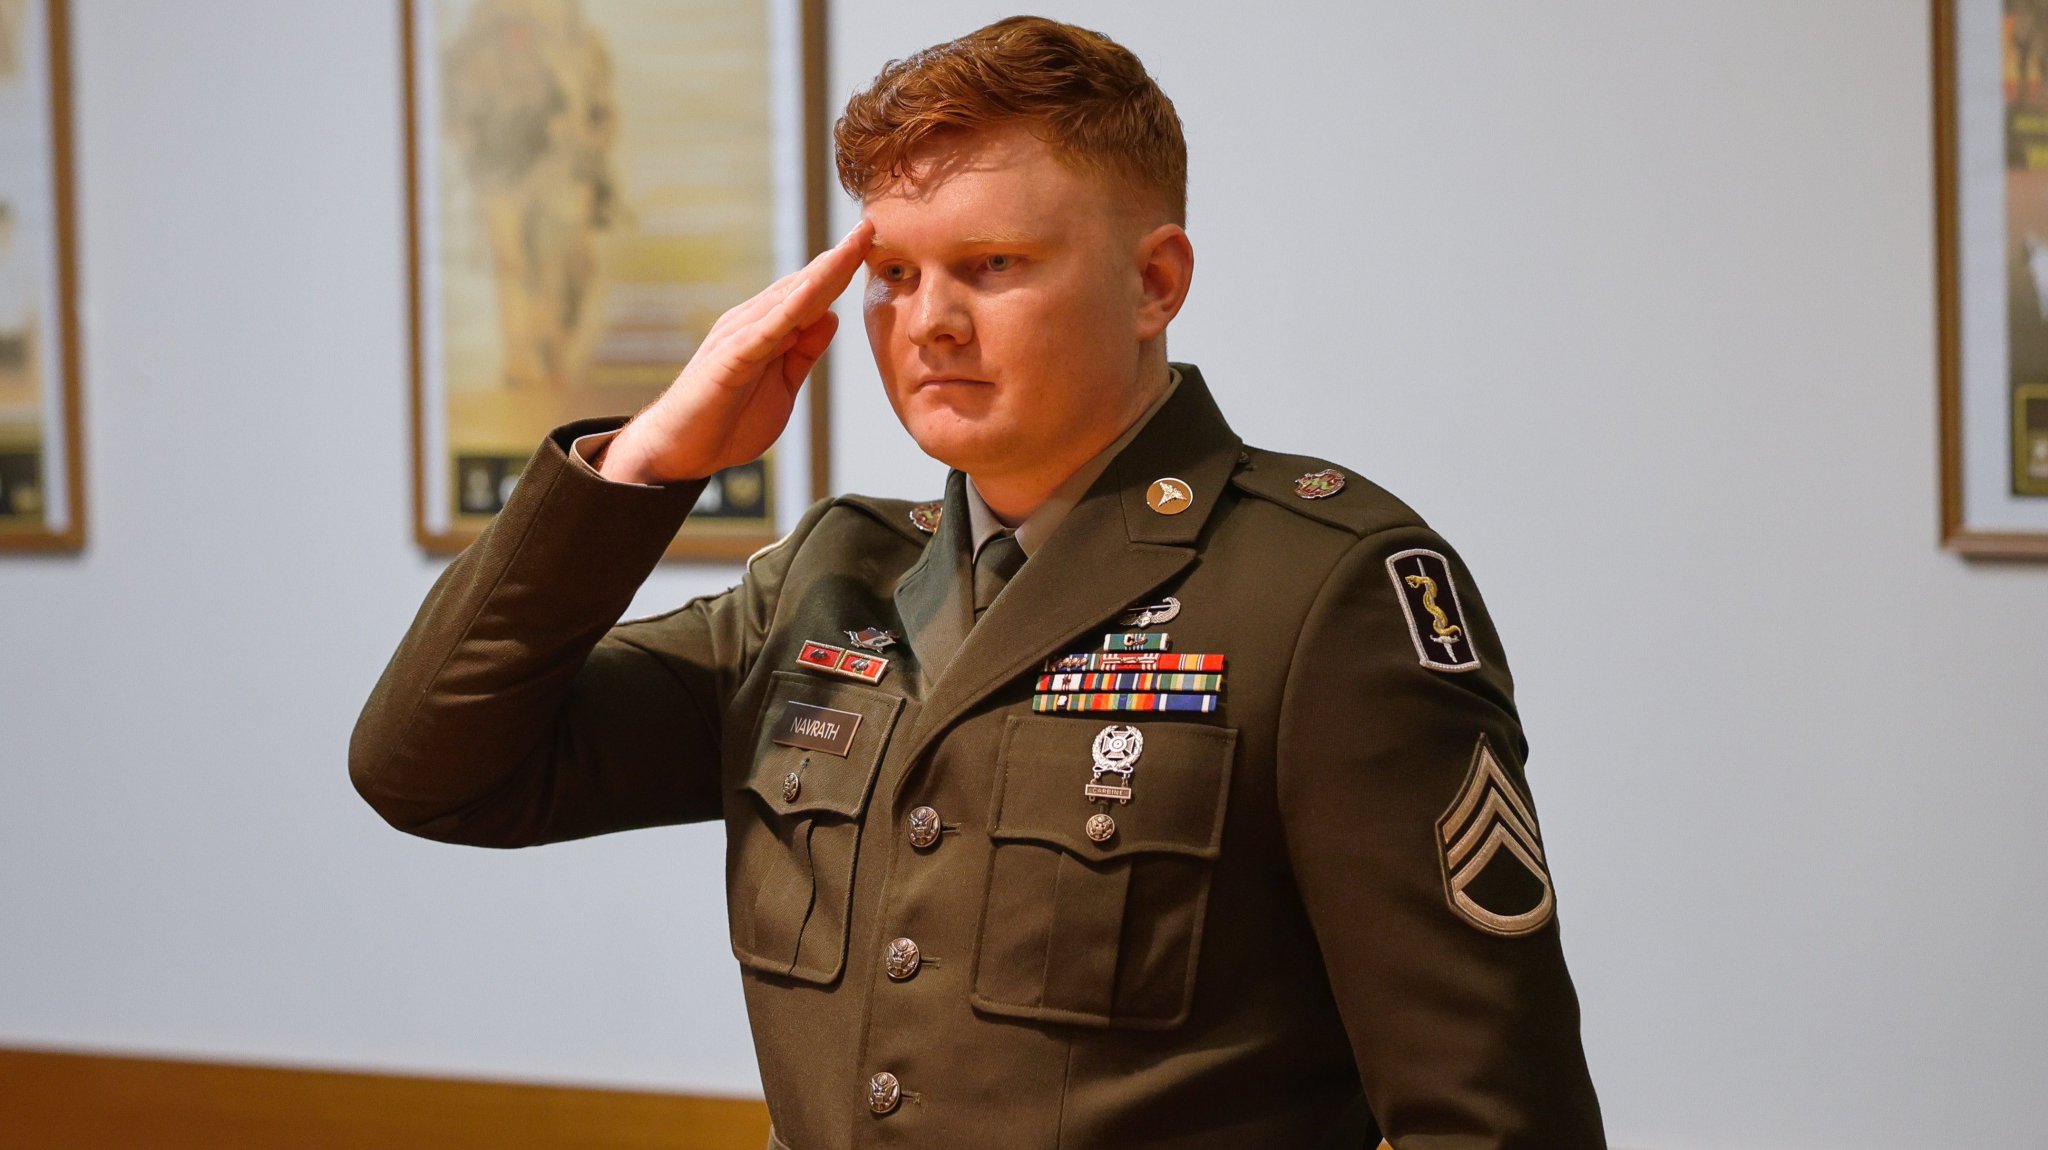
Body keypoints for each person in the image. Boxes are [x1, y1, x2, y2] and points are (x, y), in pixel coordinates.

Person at [352, 16, 1606, 1149]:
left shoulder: (1318, 589)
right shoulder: (827, 582)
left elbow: (1490, 1118)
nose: (930, 322)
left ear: (1154, 281)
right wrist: (641, 465)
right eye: (894, 276)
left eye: (992, 265)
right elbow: (434, 768)